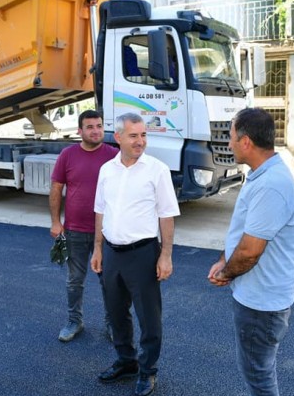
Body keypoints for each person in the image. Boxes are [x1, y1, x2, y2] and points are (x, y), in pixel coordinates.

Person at [207, 108, 294, 396]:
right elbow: (245, 229)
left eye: (232, 138)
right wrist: (224, 258)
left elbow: (250, 252)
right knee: (256, 370)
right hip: (259, 294)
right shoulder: (263, 174)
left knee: (258, 375)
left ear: (246, 141)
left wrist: (226, 273)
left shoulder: (272, 185)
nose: (229, 145)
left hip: (261, 303)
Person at [91, 112, 180, 396]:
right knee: (116, 314)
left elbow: (167, 215)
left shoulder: (157, 170)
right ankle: (126, 361)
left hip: (143, 254)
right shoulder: (107, 170)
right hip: (112, 252)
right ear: (118, 137)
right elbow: (100, 210)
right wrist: (98, 248)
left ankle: (147, 370)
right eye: (134, 135)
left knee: (148, 318)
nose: (140, 141)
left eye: (143, 135)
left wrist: (165, 255)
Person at [50, 110, 119, 342]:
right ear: (80, 131)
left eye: (99, 126)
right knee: (74, 280)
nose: (96, 131)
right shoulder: (68, 155)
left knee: (109, 281)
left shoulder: (114, 155)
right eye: (90, 127)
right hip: (75, 230)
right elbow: (57, 188)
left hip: (107, 232)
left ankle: (112, 324)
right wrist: (55, 222)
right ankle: (74, 321)